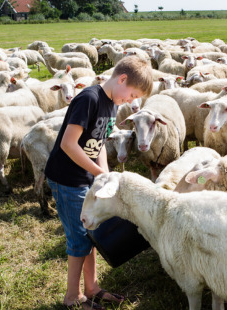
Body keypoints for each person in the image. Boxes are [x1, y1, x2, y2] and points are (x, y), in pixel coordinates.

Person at [45, 56, 153, 310]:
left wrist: (104, 174)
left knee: (91, 232)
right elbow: (68, 144)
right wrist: (98, 172)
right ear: (122, 79)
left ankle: (91, 287)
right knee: (78, 239)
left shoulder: (112, 104)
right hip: (67, 178)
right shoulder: (89, 99)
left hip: (85, 177)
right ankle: (73, 298)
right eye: (131, 94)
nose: (130, 101)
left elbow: (100, 143)